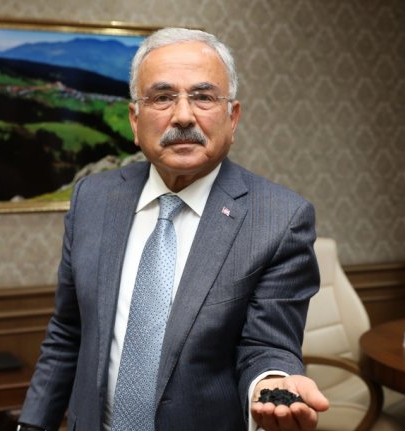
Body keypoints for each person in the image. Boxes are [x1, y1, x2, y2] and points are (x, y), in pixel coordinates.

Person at [17, 27, 328, 431]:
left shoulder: (279, 219)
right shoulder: (92, 199)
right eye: (162, 97)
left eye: (203, 97)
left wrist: (269, 387)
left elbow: (266, 345)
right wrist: (32, 425)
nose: (183, 116)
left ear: (232, 117)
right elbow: (68, 330)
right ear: (135, 120)